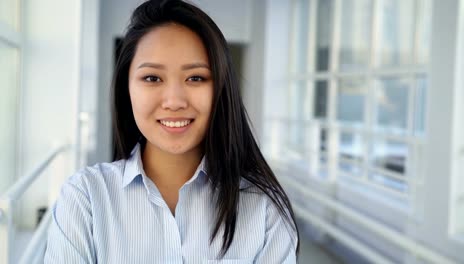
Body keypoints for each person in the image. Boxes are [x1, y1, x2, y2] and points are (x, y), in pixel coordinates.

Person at [45, 0, 299, 263]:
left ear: (221, 89)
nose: (175, 101)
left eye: (196, 78)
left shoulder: (264, 209)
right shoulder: (85, 198)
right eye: (152, 78)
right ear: (127, 88)